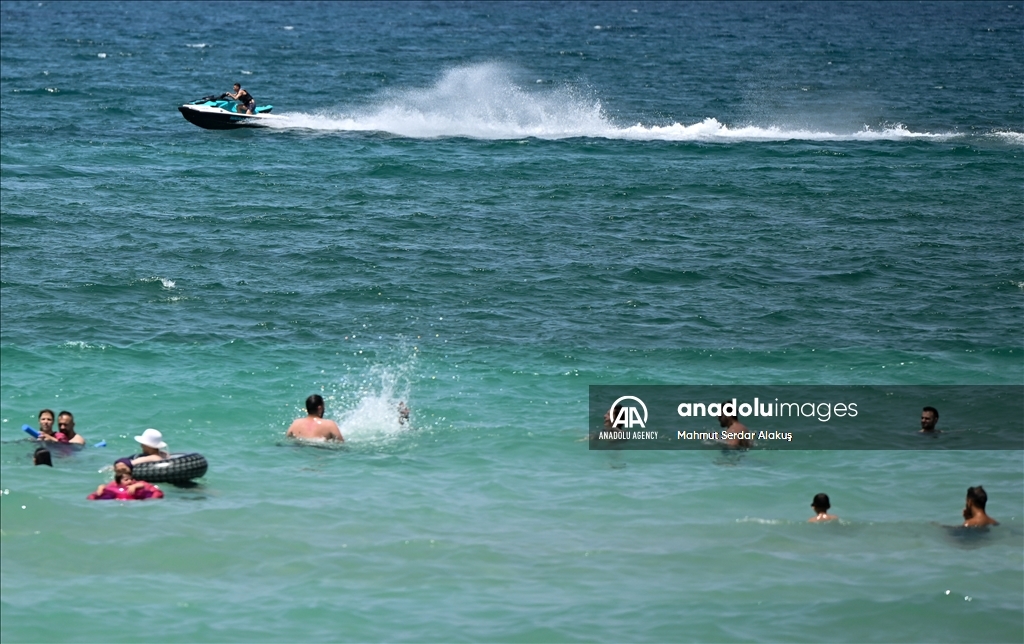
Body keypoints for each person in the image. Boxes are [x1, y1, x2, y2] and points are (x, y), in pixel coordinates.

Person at [88, 458, 163, 501]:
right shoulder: (113, 484)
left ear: (130, 470)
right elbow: (92, 496)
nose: (122, 471)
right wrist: (100, 489)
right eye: (119, 470)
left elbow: (158, 493)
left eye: (124, 469)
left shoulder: (141, 484)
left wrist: (144, 501)